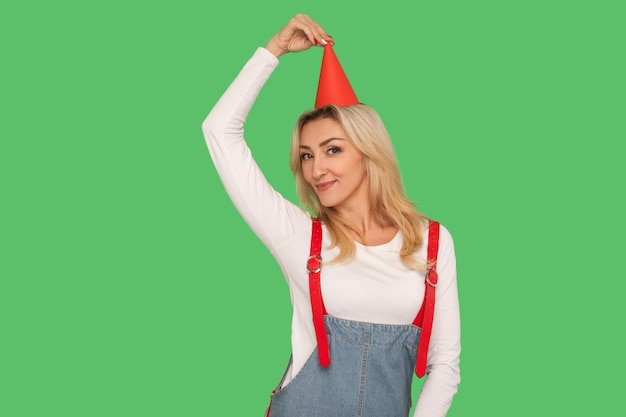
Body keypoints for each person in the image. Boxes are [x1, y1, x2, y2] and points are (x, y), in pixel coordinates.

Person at [202, 14, 460, 417]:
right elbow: (219, 131)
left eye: (332, 149)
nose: (316, 168)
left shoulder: (432, 243)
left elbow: (445, 365)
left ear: (368, 150)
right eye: (306, 155)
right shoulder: (298, 236)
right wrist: (273, 52)